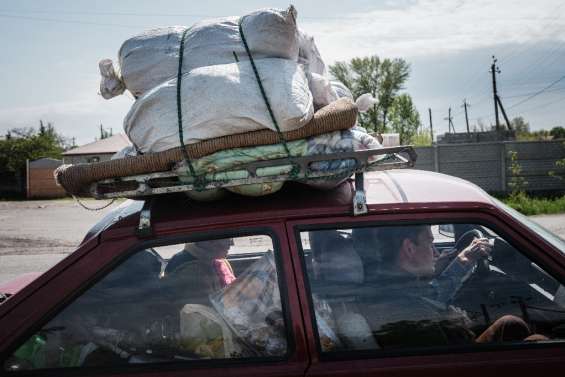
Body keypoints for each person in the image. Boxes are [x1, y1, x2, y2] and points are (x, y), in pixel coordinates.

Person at [363, 225, 535, 348]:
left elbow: (432, 294)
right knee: (534, 338)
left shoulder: (388, 284)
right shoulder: (409, 309)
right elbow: (451, 353)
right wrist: (456, 324)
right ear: (409, 248)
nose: (436, 253)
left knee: (510, 324)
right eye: (430, 244)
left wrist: (459, 262)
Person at [164, 238, 236, 307]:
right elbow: (211, 311)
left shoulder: (217, 260)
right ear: (208, 241)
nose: (231, 243)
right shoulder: (192, 272)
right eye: (225, 238)